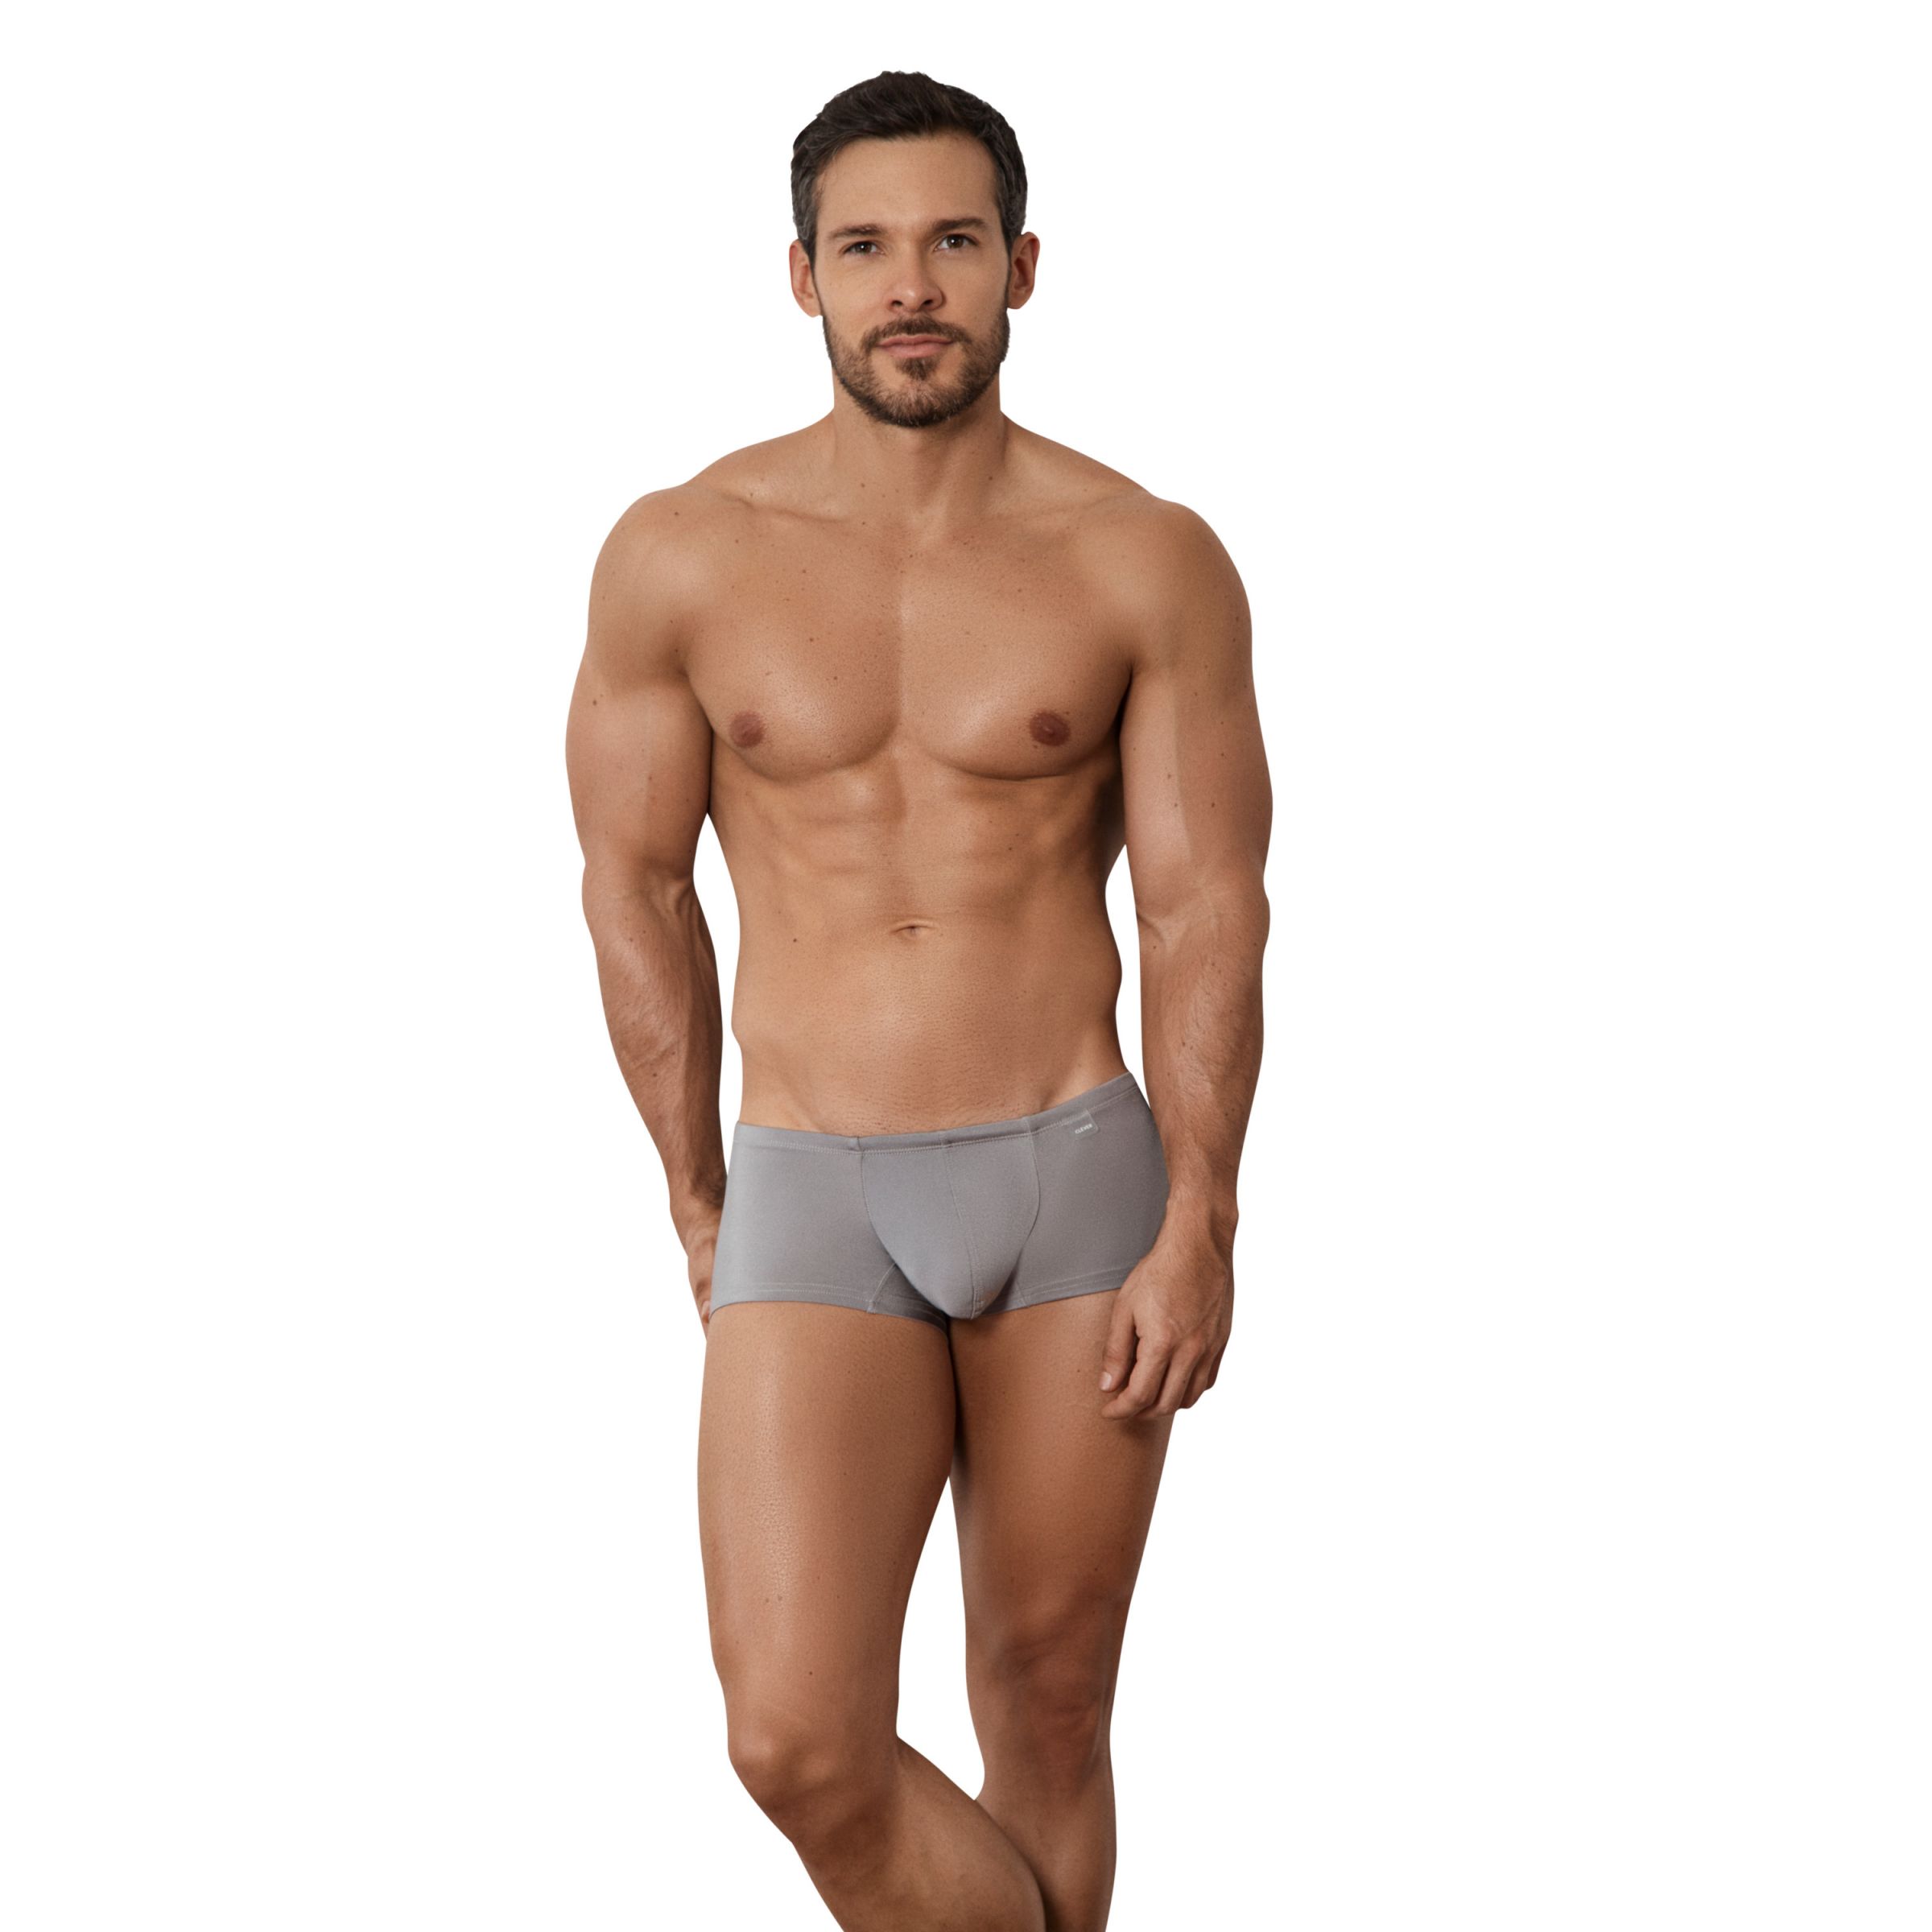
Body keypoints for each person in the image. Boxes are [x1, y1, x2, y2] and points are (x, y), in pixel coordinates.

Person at [564, 68, 1270, 1932]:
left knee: (1050, 1702)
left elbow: (1207, 905)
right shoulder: (682, 553)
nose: (912, 286)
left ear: (1021, 267)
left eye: (954, 241)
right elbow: (633, 885)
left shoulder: (1144, 556)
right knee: (799, 1741)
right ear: (801, 276)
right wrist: (695, 1191)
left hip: (1078, 1181)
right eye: (866, 247)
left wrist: (1203, 1213)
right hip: (812, 1175)